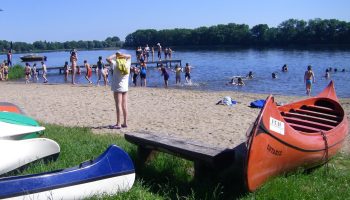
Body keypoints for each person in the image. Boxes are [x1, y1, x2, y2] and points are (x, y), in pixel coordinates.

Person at [106, 51, 131, 129]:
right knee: (124, 105)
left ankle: (118, 123)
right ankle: (125, 123)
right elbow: (129, 56)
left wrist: (115, 54)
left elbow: (108, 59)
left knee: (118, 105)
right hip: (125, 87)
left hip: (117, 87)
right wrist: (122, 55)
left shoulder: (115, 63)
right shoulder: (127, 63)